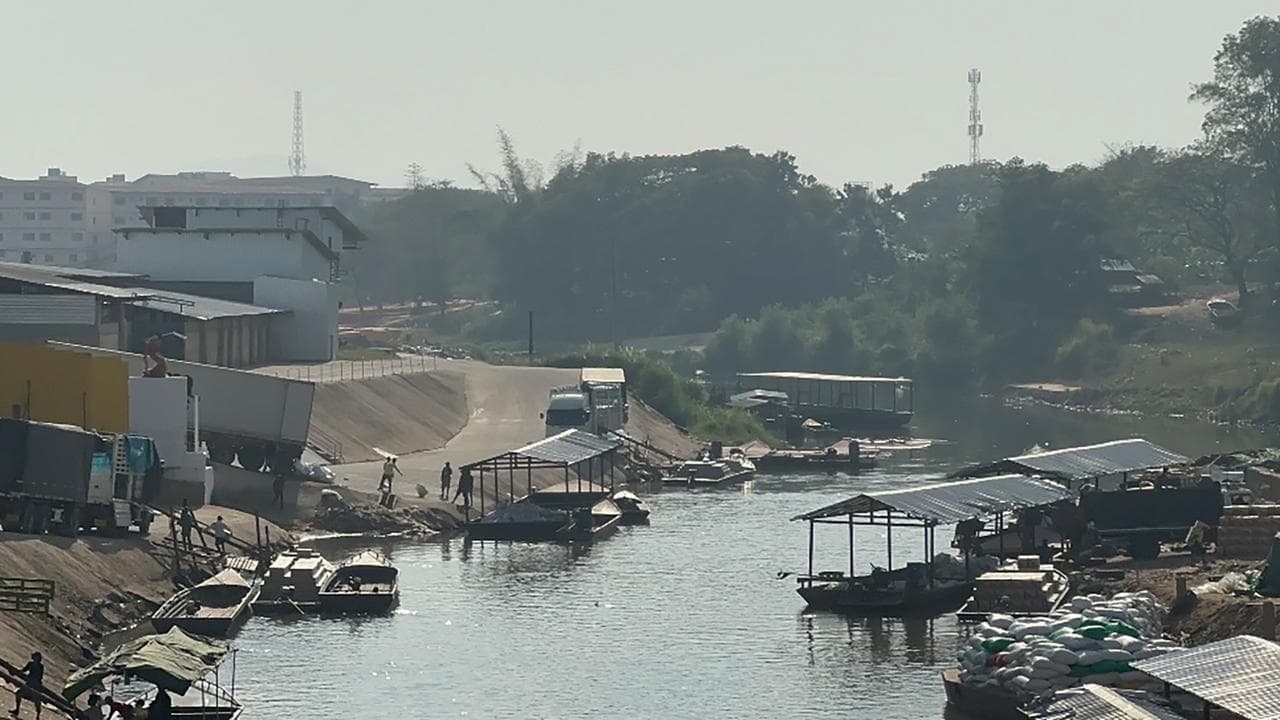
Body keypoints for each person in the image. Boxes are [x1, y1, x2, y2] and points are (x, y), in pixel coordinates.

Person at [11, 651, 44, 719]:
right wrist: (15, 671)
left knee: (37, 702)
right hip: (29, 684)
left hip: (36, 686)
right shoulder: (30, 664)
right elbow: (23, 670)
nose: (35, 658)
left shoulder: (41, 666)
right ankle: (17, 710)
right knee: (18, 694)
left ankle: (38, 716)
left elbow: (39, 677)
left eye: (36, 657)